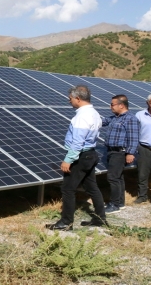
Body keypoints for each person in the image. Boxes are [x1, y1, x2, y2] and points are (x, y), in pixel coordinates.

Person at [48, 85, 106, 230]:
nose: (69, 101)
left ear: (78, 98)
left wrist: (68, 160)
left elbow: (78, 142)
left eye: (71, 99)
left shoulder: (82, 116)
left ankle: (66, 222)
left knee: (68, 189)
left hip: (80, 156)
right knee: (92, 187)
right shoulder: (94, 113)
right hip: (91, 154)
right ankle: (100, 219)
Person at [101, 94, 140, 214]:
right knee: (119, 178)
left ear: (121, 105)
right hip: (112, 151)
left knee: (113, 178)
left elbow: (134, 138)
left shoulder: (130, 119)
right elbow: (101, 122)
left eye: (112, 104)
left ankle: (114, 204)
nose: (110, 106)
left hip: (120, 152)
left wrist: (130, 153)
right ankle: (120, 203)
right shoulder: (115, 118)